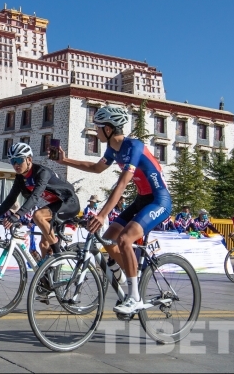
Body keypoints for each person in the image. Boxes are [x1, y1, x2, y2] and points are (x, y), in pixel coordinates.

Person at [58, 105, 172, 315]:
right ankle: (129, 273)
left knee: (125, 239)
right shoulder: (112, 149)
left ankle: (135, 297)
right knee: (109, 239)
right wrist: (64, 160)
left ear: (108, 129)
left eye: (98, 127)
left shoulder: (134, 146)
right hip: (142, 200)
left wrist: (102, 215)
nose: (96, 131)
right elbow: (96, 168)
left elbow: (122, 184)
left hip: (159, 201)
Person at [0, 142, 81, 264]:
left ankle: (58, 255)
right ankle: (48, 273)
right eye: (12, 161)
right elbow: (11, 198)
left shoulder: (42, 172)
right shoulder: (20, 177)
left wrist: (17, 215)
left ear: (29, 159)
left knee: (38, 215)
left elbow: (34, 197)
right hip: (55, 205)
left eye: (19, 160)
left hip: (69, 202)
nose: (15, 164)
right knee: (44, 245)